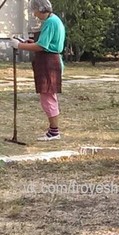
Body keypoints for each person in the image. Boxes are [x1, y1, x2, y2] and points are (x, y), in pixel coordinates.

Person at [10, 0, 65, 141]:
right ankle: (53, 130)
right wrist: (27, 42)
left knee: (48, 97)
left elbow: (42, 45)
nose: (34, 14)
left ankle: (54, 132)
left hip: (49, 63)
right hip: (48, 61)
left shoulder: (51, 22)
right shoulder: (52, 20)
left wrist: (20, 45)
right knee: (48, 97)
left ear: (41, 9)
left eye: (34, 10)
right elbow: (45, 42)